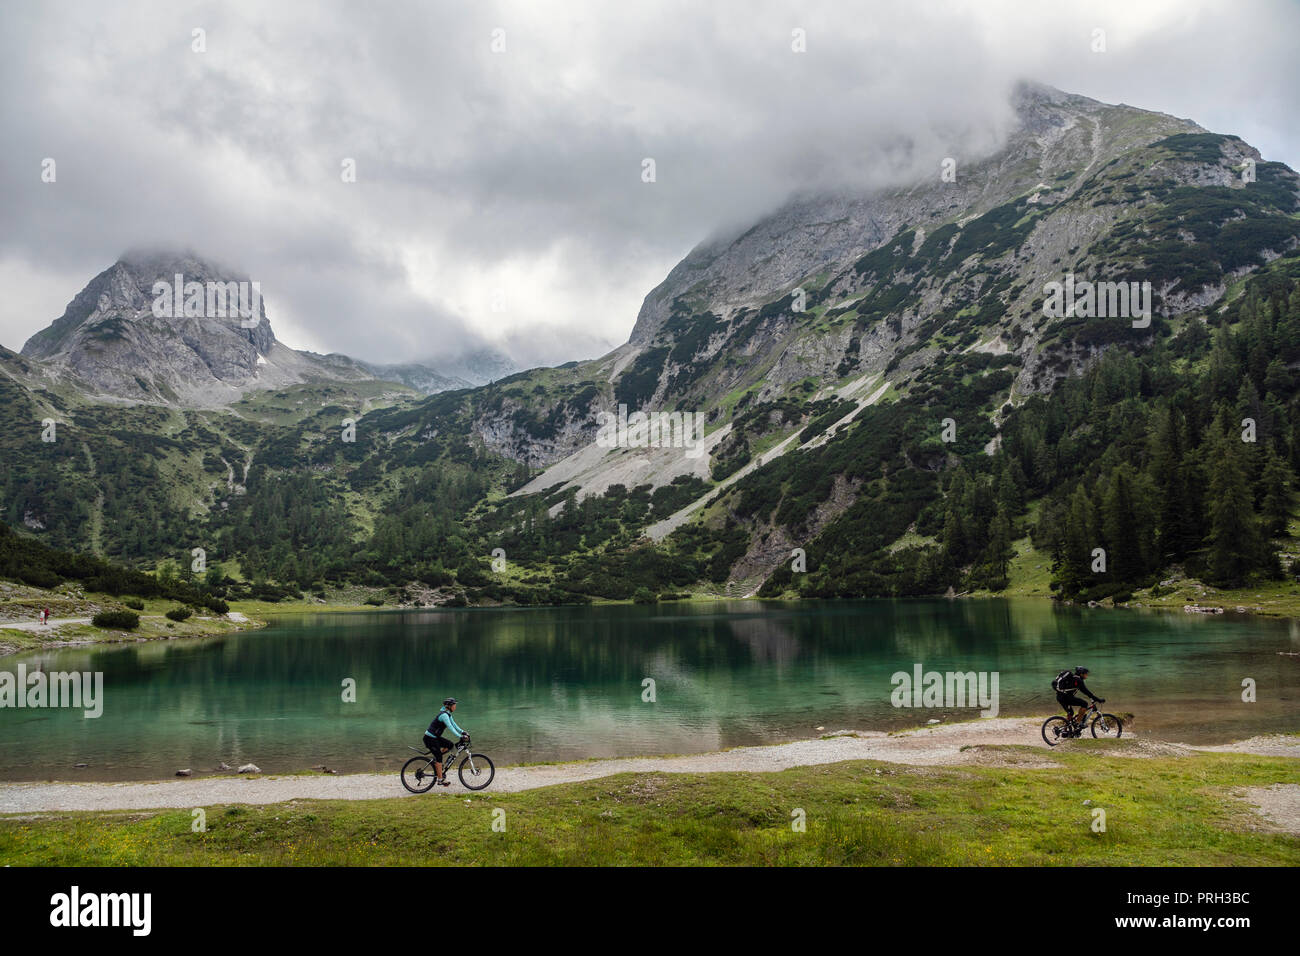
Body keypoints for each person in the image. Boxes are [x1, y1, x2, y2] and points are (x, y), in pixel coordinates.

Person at [423, 697, 468, 786]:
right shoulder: (444, 715)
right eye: (454, 705)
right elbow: (450, 727)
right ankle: (440, 780)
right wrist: (460, 736)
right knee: (439, 757)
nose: (455, 707)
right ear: (449, 706)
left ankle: (438, 763)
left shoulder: (447, 714)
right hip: (429, 738)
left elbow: (454, 724)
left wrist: (462, 731)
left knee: (450, 745)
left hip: (435, 737)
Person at [1053, 666, 1103, 733]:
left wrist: (1093, 698)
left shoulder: (1073, 678)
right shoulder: (1078, 680)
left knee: (1071, 713)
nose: (1087, 675)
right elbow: (1086, 692)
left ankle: (1066, 731)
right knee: (1084, 704)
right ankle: (1077, 723)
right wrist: (1098, 699)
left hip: (1060, 697)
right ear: (1081, 674)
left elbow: (1085, 692)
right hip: (1066, 698)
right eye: (1086, 674)